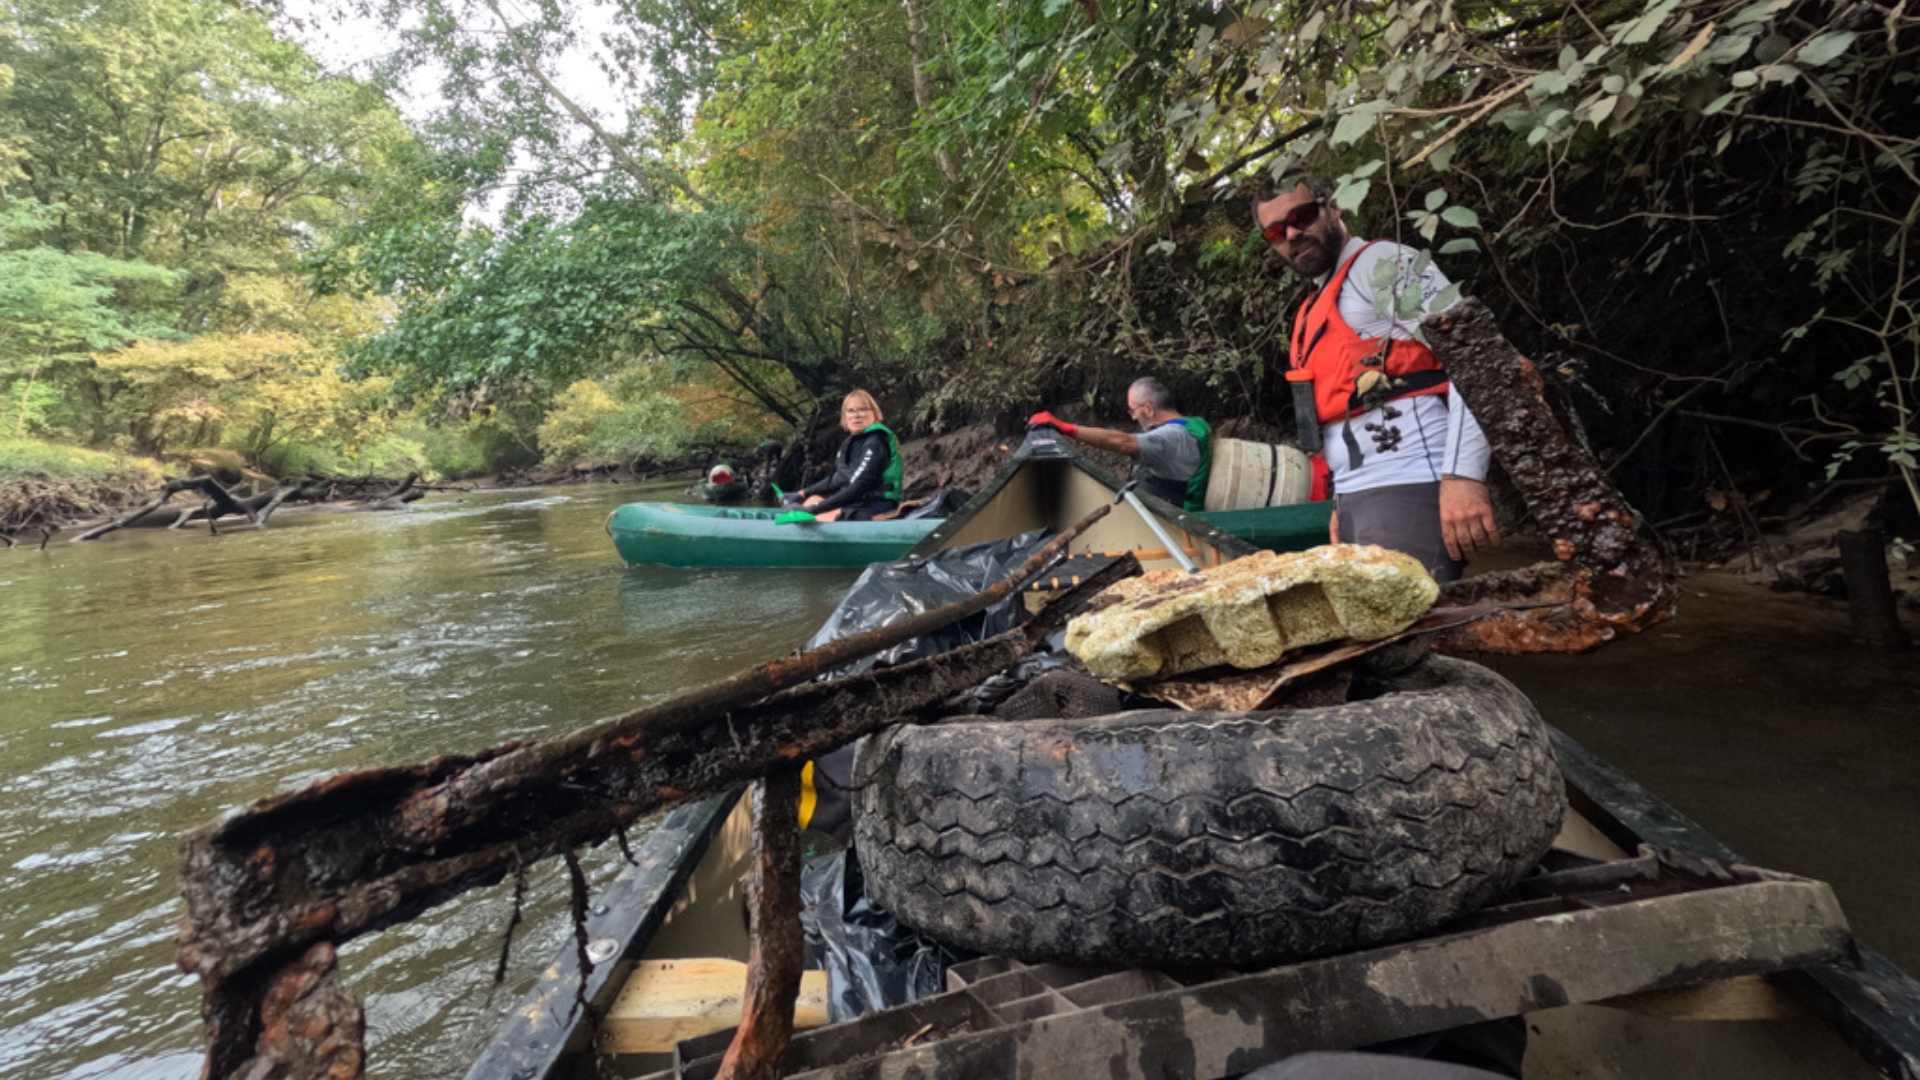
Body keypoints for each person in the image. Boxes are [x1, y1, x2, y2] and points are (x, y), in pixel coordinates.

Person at [1252, 171, 1499, 582]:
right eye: (1277, 231)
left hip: (1412, 478)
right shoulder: (1318, 298)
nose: (1293, 234)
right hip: (1357, 492)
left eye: (1304, 215)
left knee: (1414, 625)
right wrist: (1339, 502)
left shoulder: (1384, 265)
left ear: (1334, 208)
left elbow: (1479, 360)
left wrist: (1462, 475)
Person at [1029, 377, 1212, 511]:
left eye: (1133, 411)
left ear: (1148, 409)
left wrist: (1065, 428)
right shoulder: (1191, 425)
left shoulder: (1172, 437)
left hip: (1175, 521)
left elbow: (1124, 443)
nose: (1133, 417)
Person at [782, 389, 902, 522]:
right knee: (813, 499)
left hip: (877, 506)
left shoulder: (876, 441)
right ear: (845, 416)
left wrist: (813, 510)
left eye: (862, 409)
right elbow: (838, 478)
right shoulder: (851, 442)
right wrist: (801, 493)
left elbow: (859, 486)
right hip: (857, 503)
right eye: (850, 411)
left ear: (874, 414)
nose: (856, 415)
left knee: (814, 516)